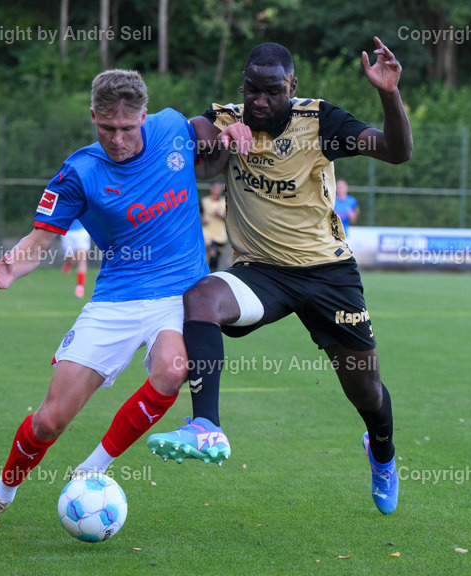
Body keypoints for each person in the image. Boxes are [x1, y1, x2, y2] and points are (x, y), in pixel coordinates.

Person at [147, 38, 413, 515]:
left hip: (328, 274)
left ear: (292, 86)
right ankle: (206, 426)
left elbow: (397, 151)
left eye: (272, 91)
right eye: (252, 89)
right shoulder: (230, 118)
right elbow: (192, 135)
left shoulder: (321, 122)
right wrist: (218, 139)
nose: (260, 101)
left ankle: (382, 453)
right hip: (261, 272)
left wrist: (389, 94)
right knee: (202, 297)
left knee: (365, 389)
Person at [0, 69, 212, 528]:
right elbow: (41, 238)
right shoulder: (80, 171)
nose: (117, 139)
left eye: (127, 128)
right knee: (49, 421)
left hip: (178, 293)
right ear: (93, 117)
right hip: (116, 299)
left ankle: (94, 468)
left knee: (173, 370)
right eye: (106, 128)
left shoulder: (175, 128)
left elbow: (226, 124)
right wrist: (13, 266)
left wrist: (233, 128)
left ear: (146, 117)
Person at [59, 218, 91, 297]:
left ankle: (80, 287)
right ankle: (68, 263)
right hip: (67, 231)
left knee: (82, 259)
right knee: (70, 259)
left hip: (81, 231)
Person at [201, 182, 228, 272]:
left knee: (217, 255)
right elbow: (196, 215)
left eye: (218, 188)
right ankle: (209, 271)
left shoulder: (225, 202)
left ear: (221, 190)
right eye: (215, 188)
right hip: (208, 232)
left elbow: (229, 218)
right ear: (211, 189)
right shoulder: (204, 201)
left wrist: (220, 216)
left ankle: (213, 271)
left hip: (220, 233)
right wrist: (201, 220)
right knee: (212, 252)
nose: (216, 190)